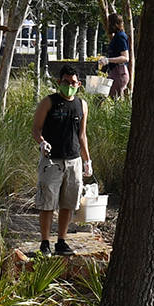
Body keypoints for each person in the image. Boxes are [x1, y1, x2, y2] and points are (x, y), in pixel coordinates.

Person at [31, 66, 92, 256]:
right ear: (59, 82)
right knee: (48, 203)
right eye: (66, 82)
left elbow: (82, 134)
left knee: (68, 203)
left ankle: (61, 241)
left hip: (73, 161)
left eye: (73, 83)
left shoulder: (82, 105)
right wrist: (42, 143)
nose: (69, 86)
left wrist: (87, 160)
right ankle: (44, 243)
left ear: (79, 84)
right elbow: (36, 128)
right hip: (52, 161)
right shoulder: (49, 102)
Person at [96, 13, 131, 100]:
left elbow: (125, 57)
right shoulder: (116, 37)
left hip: (119, 73)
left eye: (109, 24)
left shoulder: (120, 37)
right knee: (101, 96)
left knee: (114, 99)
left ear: (114, 24)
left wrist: (108, 60)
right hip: (114, 72)